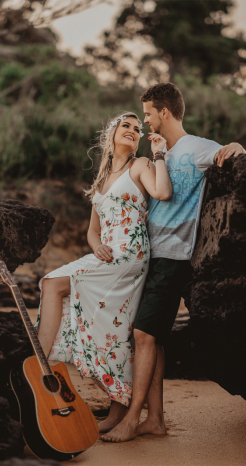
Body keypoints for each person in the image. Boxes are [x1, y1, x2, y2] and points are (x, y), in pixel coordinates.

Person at [101, 83, 246, 442]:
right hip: (152, 254)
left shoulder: (195, 147)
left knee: (142, 334)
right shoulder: (160, 153)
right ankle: (156, 419)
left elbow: (230, 155)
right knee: (154, 339)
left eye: (148, 114)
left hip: (173, 257)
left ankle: (132, 419)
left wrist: (238, 147)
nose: (146, 121)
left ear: (164, 113)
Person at [35, 111, 173, 433]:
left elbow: (163, 193)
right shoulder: (101, 179)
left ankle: (37, 367)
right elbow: (93, 231)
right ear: (111, 133)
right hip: (108, 255)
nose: (133, 131)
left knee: (52, 284)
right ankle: (117, 410)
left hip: (130, 255)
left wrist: (159, 155)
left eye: (138, 128)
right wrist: (96, 245)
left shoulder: (140, 166)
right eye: (126, 125)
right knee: (116, 332)